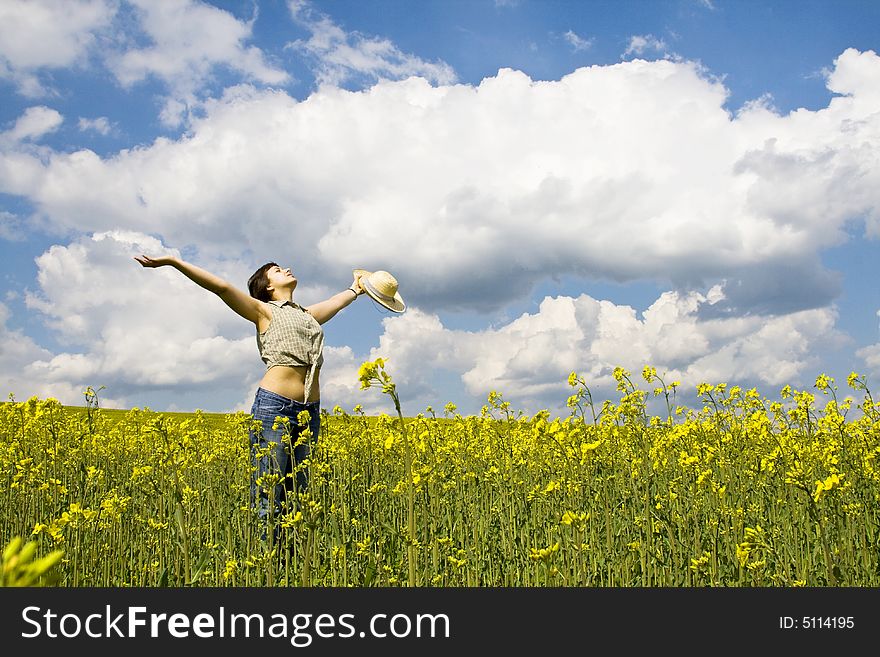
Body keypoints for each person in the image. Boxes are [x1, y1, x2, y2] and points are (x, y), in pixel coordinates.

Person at [135, 254, 365, 540]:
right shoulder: (263, 311)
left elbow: (337, 302)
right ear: (267, 287)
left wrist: (356, 289)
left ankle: (291, 564)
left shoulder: (307, 315)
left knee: (300, 495)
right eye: (278, 271)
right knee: (270, 494)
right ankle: (267, 565)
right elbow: (220, 287)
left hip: (310, 409)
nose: (288, 269)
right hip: (274, 407)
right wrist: (173, 262)